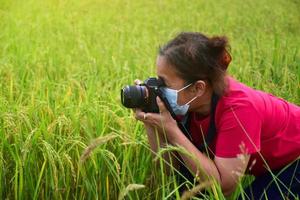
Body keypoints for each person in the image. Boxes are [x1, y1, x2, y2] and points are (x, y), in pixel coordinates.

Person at [134, 32, 300, 199]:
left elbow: (223, 187)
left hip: (295, 160)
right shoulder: (188, 105)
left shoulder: (239, 109)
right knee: (188, 184)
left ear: (198, 88)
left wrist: (172, 131)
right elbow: (169, 170)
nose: (158, 88)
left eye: (164, 83)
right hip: (267, 164)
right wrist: (150, 117)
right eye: (157, 80)